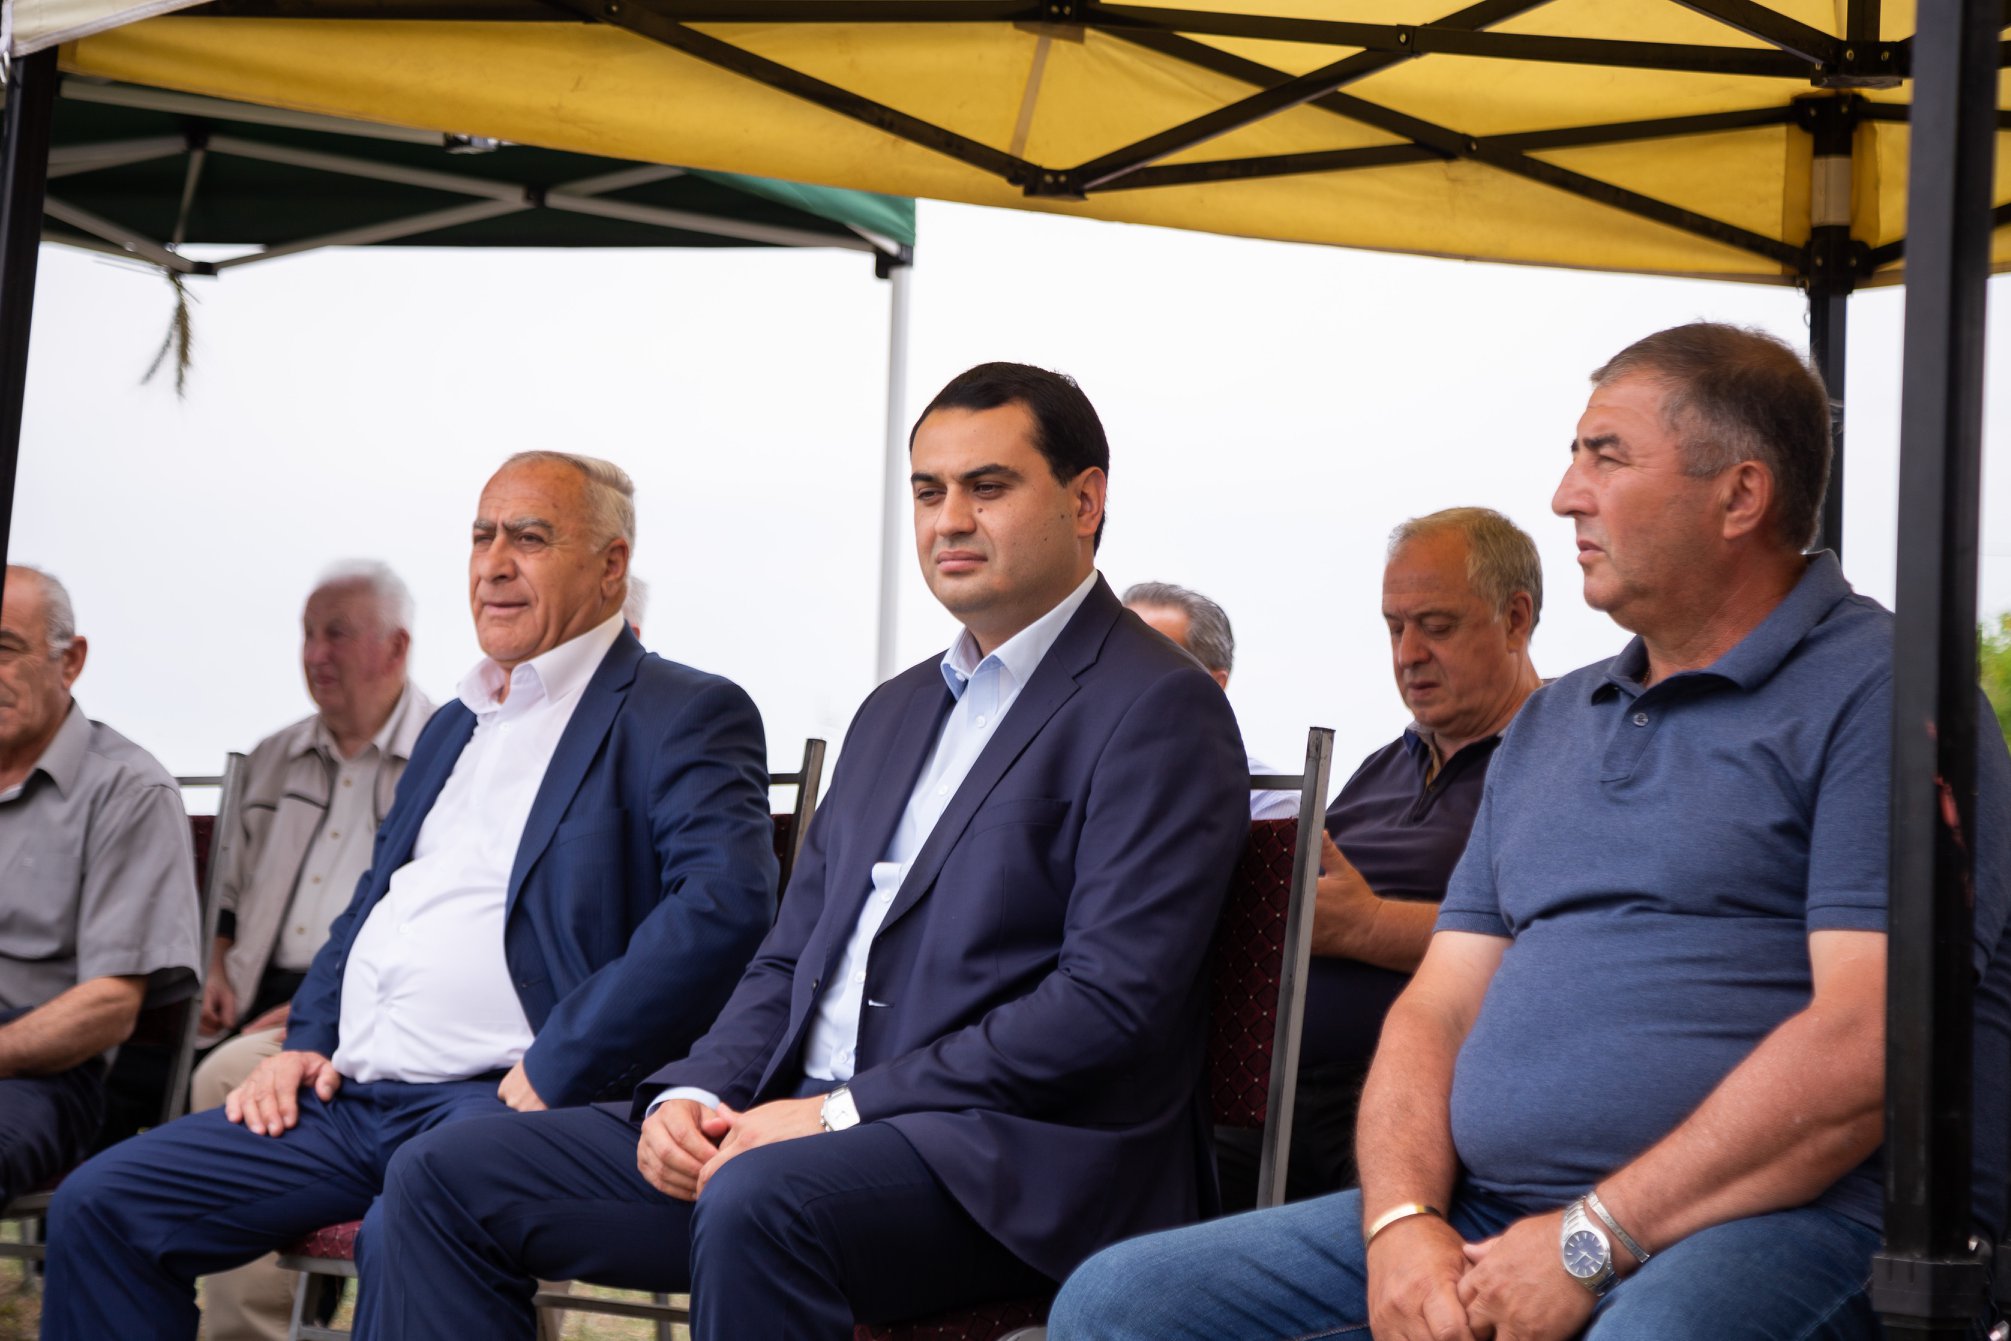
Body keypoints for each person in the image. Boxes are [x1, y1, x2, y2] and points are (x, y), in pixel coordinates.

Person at [1049, 322, 2011, 1341]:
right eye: (1572, 455)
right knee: (1118, 1305)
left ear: (1739, 496)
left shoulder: (1886, 690)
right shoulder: (1555, 721)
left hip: (1796, 1219)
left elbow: (1871, 1041)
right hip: (1495, 1214)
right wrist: (1400, 1222)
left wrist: (1590, 1239)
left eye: (1606, 457)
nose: (1564, 495)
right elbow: (1437, 1008)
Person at [353, 362, 1250, 1340]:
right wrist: (697, 1089)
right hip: (795, 1129)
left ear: (1084, 502)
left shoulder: (1158, 705)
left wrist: (840, 1112)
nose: (949, 520)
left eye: (987, 487)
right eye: (928, 491)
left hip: (1012, 1167)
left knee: (761, 1202)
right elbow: (788, 959)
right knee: (443, 1174)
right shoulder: (894, 711)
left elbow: (1105, 1005)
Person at [42, 450, 781, 1340]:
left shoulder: (680, 710)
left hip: (497, 1098)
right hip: (353, 1098)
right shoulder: (453, 723)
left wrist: (562, 1061)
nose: (493, 563)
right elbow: (372, 902)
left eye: (529, 538)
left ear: (610, 565)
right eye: (482, 536)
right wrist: (306, 1040)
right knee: (104, 1204)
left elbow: (722, 904)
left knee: (413, 1227)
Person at [1214, 508, 1544, 1210]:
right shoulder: (1381, 766)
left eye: (1437, 626)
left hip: (1412, 1101)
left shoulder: (1563, 759)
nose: (1407, 654)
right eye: (1394, 627)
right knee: (1133, 1215)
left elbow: (1559, 945)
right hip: (1269, 1089)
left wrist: (1367, 925)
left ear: (1515, 619)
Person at [189, 562, 435, 1341]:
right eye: (307, 634)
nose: (315, 653)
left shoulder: (446, 753)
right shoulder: (272, 755)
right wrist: (216, 965)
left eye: (336, 634)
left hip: (364, 1004)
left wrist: (312, 1010)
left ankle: (265, 1322)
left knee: (235, 1078)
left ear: (396, 647)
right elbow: (226, 893)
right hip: (253, 988)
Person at [0, 565, 202, 1203]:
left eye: (5, 648)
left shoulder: (128, 790)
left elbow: (110, 1006)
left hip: (39, 1074)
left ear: (71, 661)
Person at [1121, 581, 1298, 820]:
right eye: (1116, 657)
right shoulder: (1076, 773)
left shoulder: (1266, 805)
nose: (1127, 677)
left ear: (1214, 685)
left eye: (1155, 664)